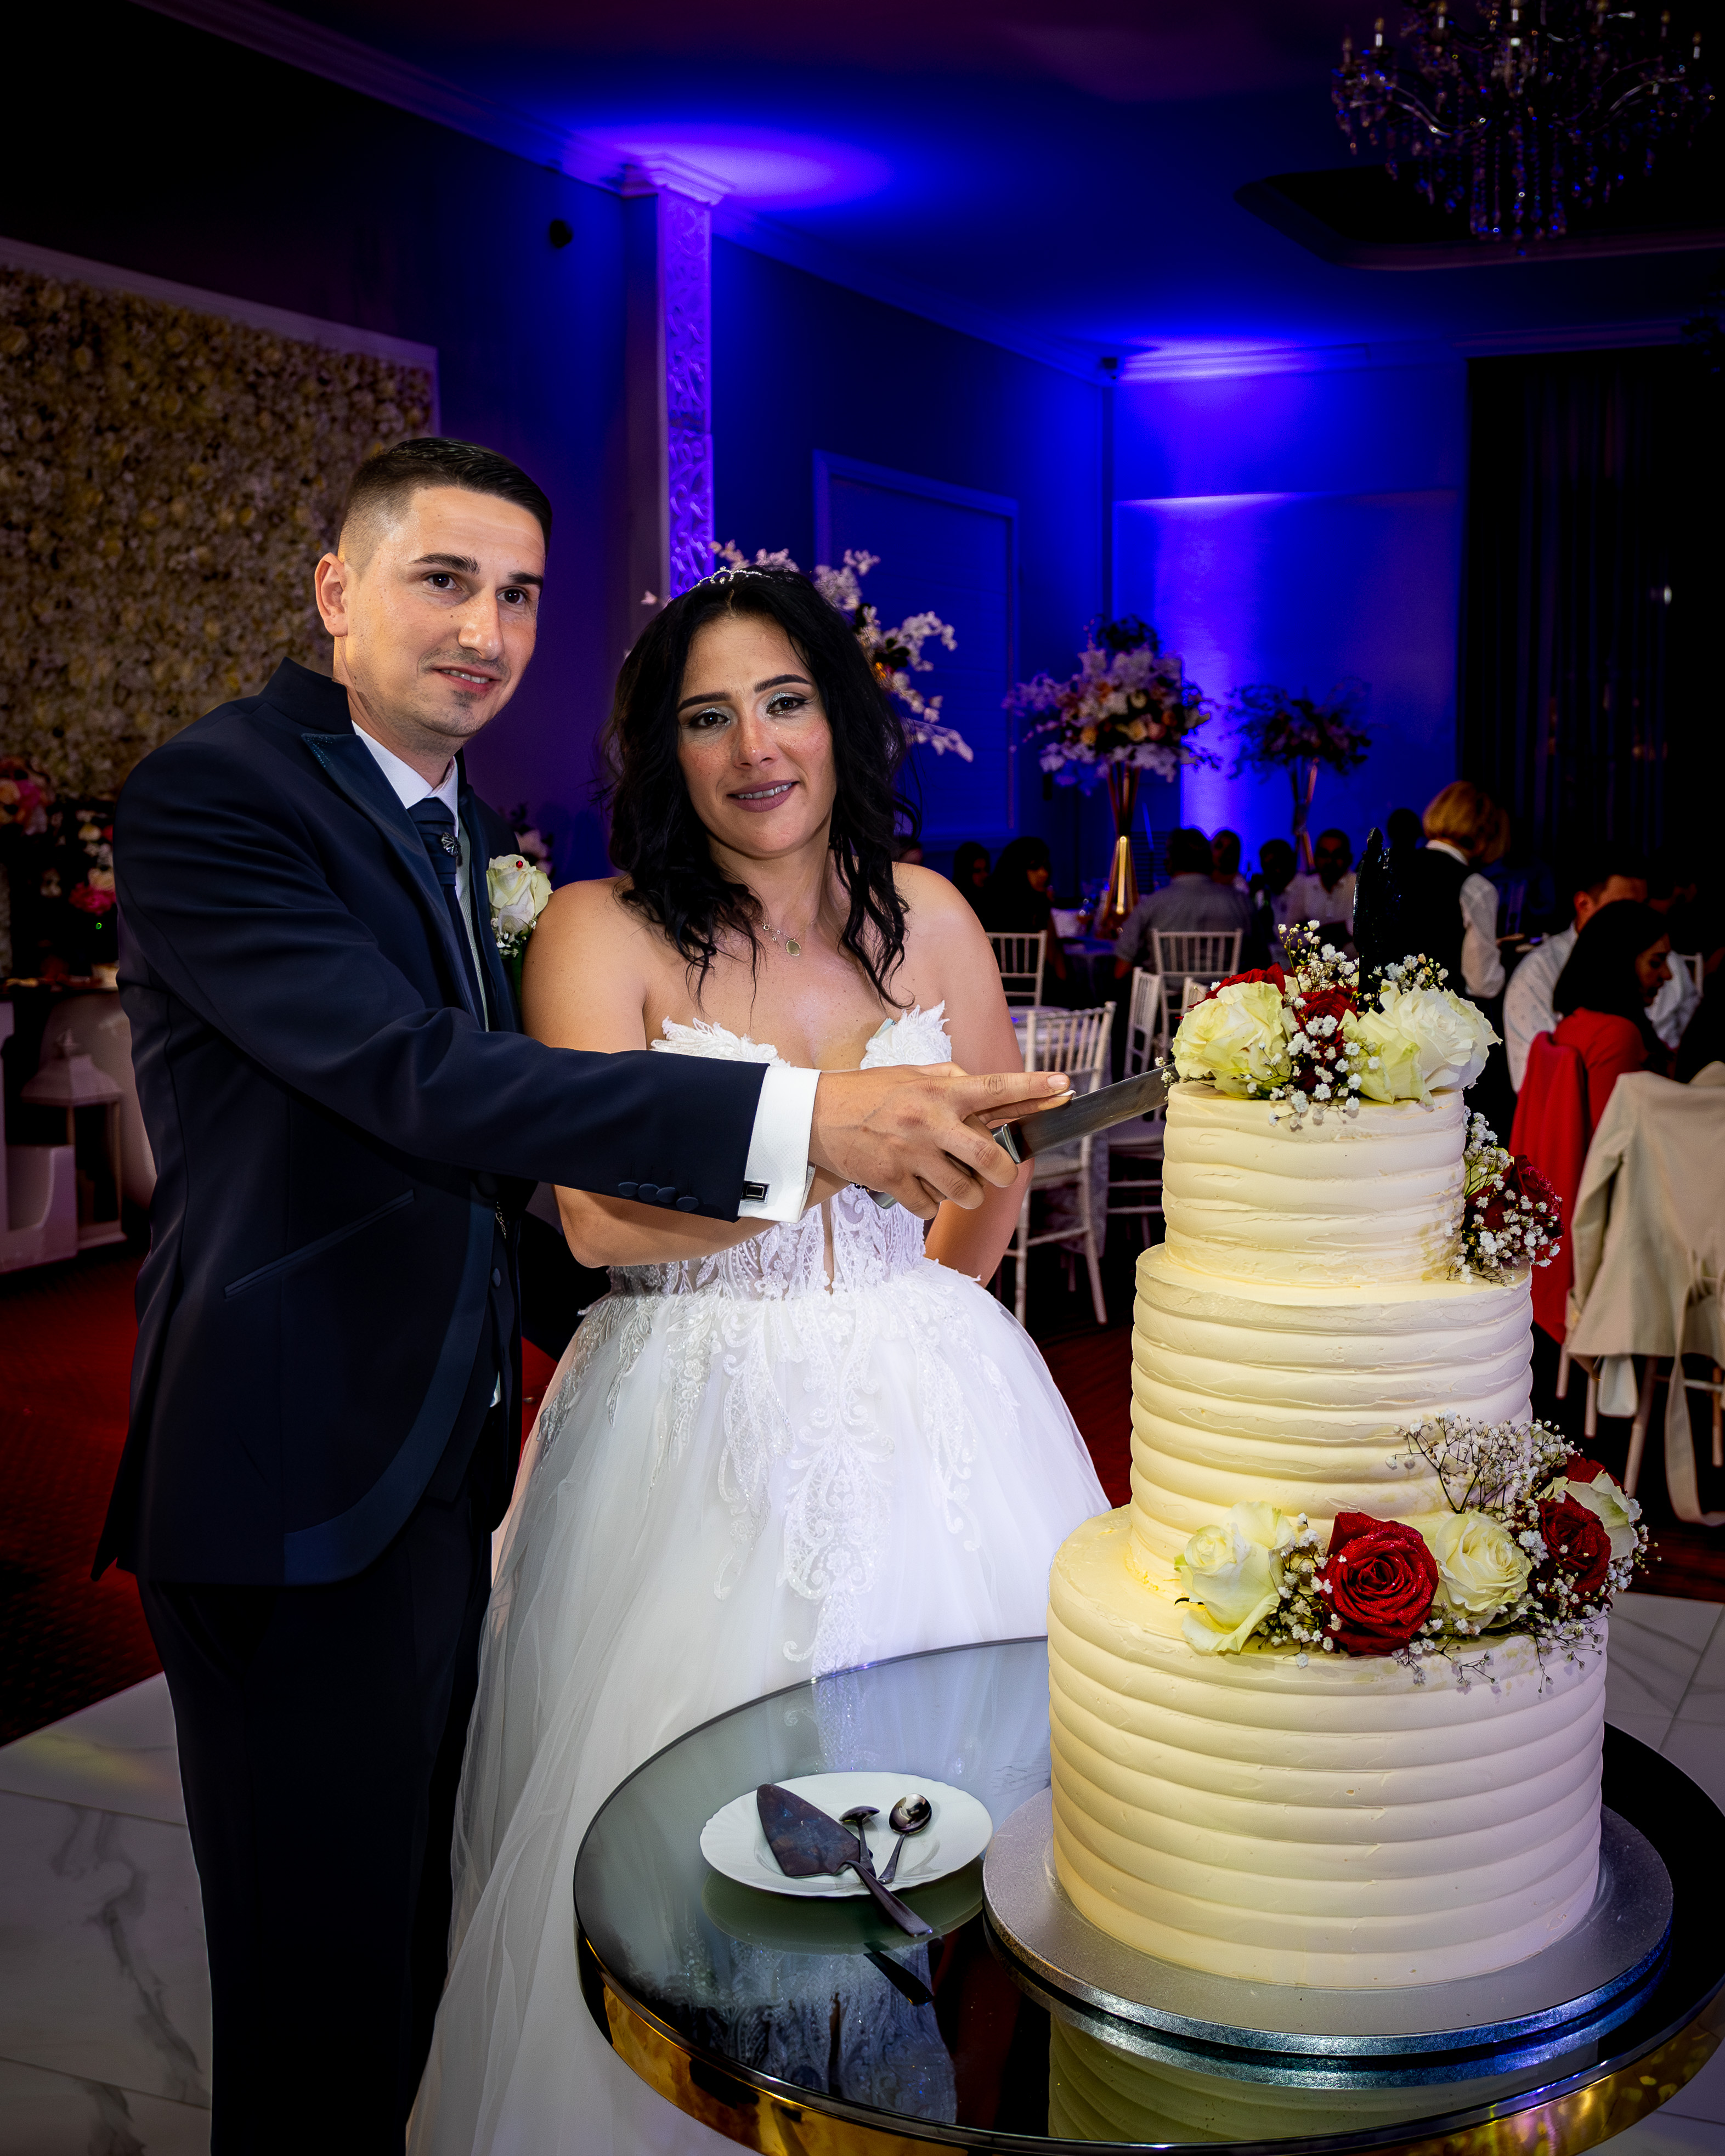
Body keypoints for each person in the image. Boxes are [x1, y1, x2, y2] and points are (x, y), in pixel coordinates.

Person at [100, 443, 1067, 2156]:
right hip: (292, 1461)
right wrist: (810, 1133)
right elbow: (424, 1080)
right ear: (336, 590)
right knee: (321, 1989)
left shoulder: (470, 831)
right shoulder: (220, 793)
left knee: (415, 1942)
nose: (483, 628)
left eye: (517, 594)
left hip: (439, 1448)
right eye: (441, 580)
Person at [409, 563, 1108, 2154]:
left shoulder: (929, 914)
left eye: (785, 702)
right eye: (707, 717)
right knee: (706, 1856)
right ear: (664, 751)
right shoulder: (598, 929)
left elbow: (992, 1164)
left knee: (976, 1828)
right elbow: (597, 1215)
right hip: (692, 1419)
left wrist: (909, 1313)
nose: (756, 748)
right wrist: (832, 1164)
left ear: (840, 719)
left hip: (938, 1411)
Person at [1502, 846, 1696, 1090]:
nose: (1638, 919)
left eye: (1643, 906)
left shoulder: (1669, 964)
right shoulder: (1539, 973)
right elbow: (1539, 1085)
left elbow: (1691, 1054)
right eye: (1622, 909)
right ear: (1584, 904)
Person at [1547, 898, 1674, 1133]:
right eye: (1656, 963)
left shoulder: (1576, 1023)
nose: (1668, 975)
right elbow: (1613, 1138)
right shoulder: (1616, 1035)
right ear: (1620, 964)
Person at [1112, 825, 1252, 980]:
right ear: (1208, 860)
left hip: (1168, 994)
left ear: (1170, 861)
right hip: (1225, 994)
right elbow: (1261, 960)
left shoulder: (1151, 905)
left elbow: (1121, 970)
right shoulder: (1242, 903)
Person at [1411, 780, 1507, 1002]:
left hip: (1383, 1013)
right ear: (1486, 833)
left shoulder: (1389, 869)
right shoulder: (1475, 887)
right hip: (1441, 1015)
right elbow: (1483, 984)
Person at [979, 833, 1071, 995]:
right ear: (1018, 869)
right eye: (1035, 868)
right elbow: (1058, 967)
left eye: (1045, 867)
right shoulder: (1034, 907)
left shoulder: (986, 900)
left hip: (994, 993)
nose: (1044, 874)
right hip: (1034, 993)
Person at [1283, 827, 1355, 941]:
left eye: (1337, 855)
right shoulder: (1306, 886)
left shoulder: (1360, 885)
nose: (1330, 861)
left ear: (1349, 859)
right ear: (1315, 858)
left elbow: (1375, 922)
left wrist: (1344, 929)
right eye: (1324, 854)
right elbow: (1287, 928)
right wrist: (1310, 941)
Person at [951, 838, 991, 916]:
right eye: (977, 871)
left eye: (986, 869)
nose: (985, 875)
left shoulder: (991, 898)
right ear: (966, 873)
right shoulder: (955, 903)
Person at [1211, 827, 1248, 892]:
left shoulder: (1240, 887)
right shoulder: (1200, 878)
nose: (1223, 853)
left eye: (1229, 850)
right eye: (1219, 846)